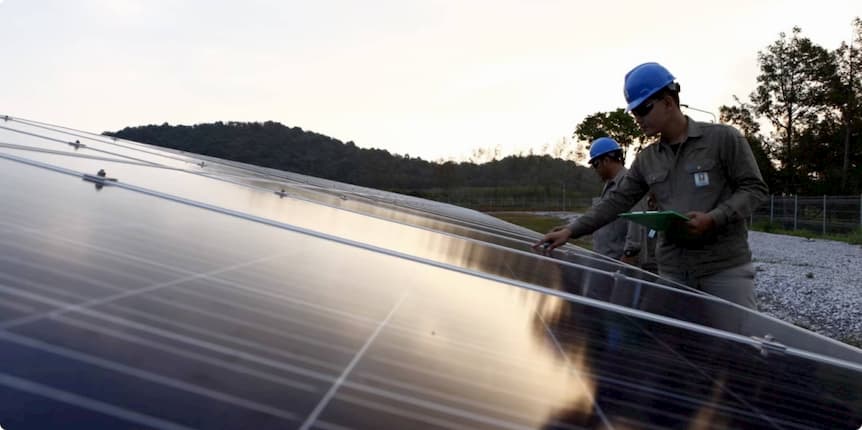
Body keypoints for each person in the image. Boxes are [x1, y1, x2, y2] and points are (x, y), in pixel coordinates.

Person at [533, 62, 768, 311]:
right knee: (678, 346)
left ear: (668, 101)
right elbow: (615, 202)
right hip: (674, 272)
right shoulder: (647, 159)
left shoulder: (723, 139)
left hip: (723, 269)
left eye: (644, 110)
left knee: (736, 345)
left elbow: (755, 189)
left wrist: (714, 218)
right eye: (634, 113)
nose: (638, 119)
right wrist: (571, 231)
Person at [582, 137, 637, 260]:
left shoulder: (629, 182)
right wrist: (569, 230)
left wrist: (629, 255)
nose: (595, 170)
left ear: (606, 160)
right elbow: (600, 214)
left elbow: (637, 223)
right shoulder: (610, 184)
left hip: (618, 262)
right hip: (604, 260)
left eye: (596, 164)